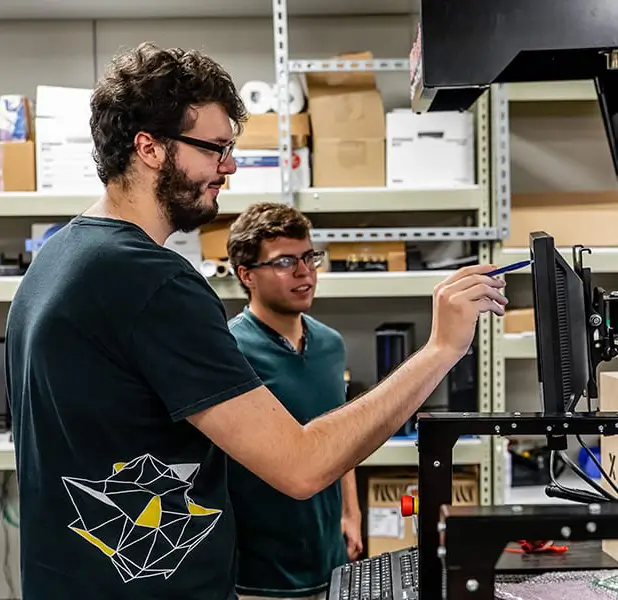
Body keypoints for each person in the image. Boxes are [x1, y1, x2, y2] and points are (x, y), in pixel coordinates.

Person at [4, 42, 508, 600]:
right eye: (214, 148)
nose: (230, 166)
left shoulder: (57, 257)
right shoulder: (152, 281)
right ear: (149, 147)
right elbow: (301, 465)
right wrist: (440, 350)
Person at [226, 202, 362, 600]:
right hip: (259, 574)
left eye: (308, 257)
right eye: (285, 261)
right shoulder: (230, 350)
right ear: (247, 275)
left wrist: (350, 514)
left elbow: (340, 437)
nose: (304, 272)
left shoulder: (331, 345)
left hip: (329, 560)